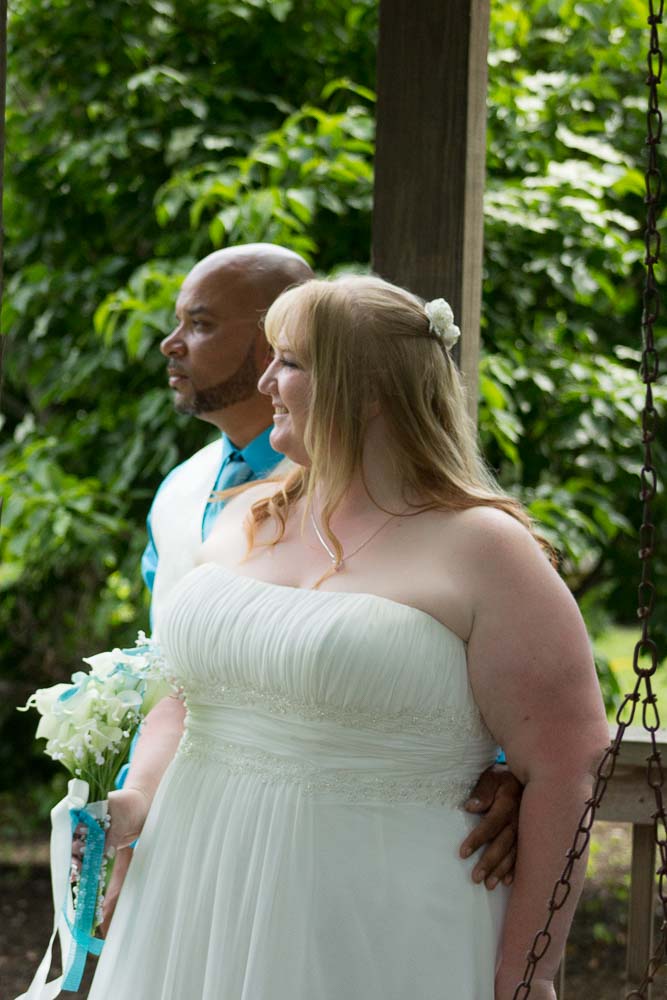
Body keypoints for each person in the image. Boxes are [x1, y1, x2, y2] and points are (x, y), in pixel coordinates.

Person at [88, 275, 608, 999]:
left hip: (376, 912)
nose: (265, 382)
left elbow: (566, 762)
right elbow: (185, 699)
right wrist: (137, 799)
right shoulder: (248, 513)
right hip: (195, 885)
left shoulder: (485, 549)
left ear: (367, 391)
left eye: (290, 362)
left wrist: (528, 972)